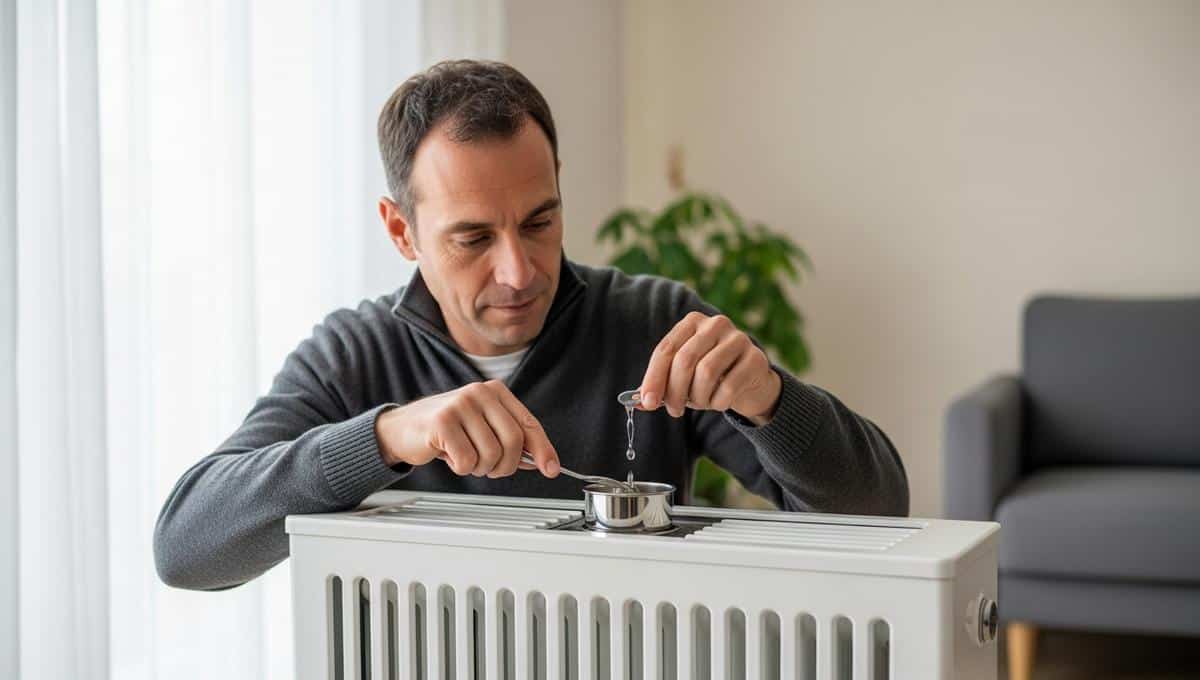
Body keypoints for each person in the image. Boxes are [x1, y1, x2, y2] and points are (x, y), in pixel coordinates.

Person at [154, 60, 908, 591]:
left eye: (540, 221)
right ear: (401, 231)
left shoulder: (652, 323)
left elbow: (880, 516)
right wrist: (385, 437)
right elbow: (186, 549)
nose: (518, 272)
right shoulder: (352, 355)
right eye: (473, 238)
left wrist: (773, 401)